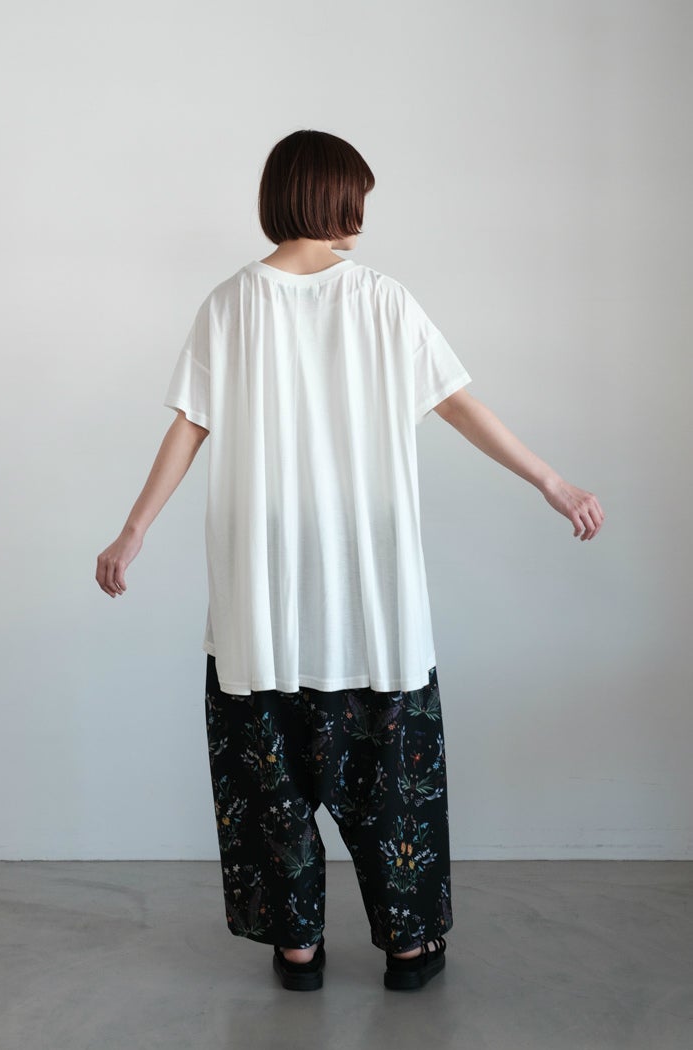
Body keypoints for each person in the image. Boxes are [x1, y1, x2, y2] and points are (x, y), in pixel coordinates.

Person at [96, 129, 605, 992]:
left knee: (270, 782)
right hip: (369, 590)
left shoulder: (229, 303)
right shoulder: (382, 300)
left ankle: (297, 951)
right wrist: (550, 481)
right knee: (391, 781)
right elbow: (458, 405)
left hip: (262, 590)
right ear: (336, 198)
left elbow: (190, 425)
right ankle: (407, 949)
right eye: (358, 196)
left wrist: (134, 529)